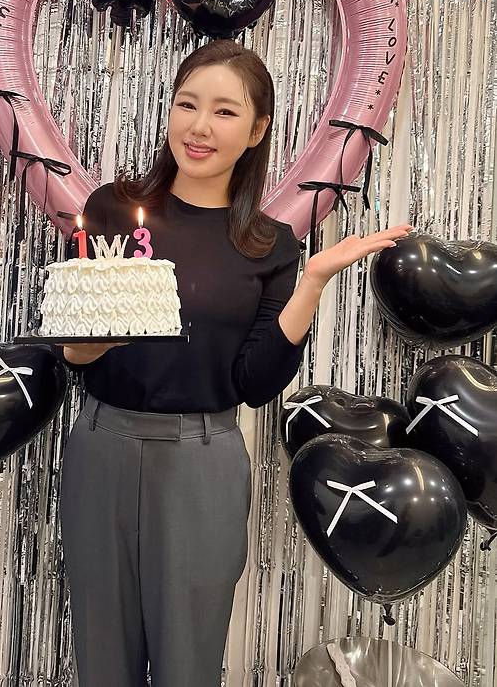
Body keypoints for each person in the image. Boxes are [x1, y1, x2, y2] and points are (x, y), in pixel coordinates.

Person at [57, 39, 412, 687]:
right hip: (101, 445)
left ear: (256, 130)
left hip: (204, 458)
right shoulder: (114, 208)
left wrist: (312, 281)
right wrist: (90, 338)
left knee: (189, 661)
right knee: (101, 655)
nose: (199, 126)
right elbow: (77, 354)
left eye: (224, 111)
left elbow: (255, 383)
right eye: (187, 104)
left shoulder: (269, 245)